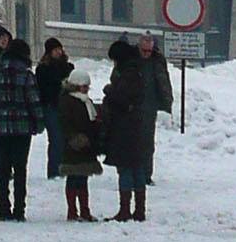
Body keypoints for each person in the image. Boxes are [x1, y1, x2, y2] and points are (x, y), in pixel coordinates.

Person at [101, 33, 173, 222]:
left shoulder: (129, 72)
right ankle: (138, 209)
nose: (147, 53)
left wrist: (109, 92)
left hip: (127, 123)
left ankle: (127, 210)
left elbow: (123, 97)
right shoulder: (134, 70)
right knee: (138, 162)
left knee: (127, 165)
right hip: (137, 119)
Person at [0, 35, 42, 221]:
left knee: (4, 168)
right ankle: (20, 210)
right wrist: (38, 123)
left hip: (2, 126)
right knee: (20, 168)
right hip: (22, 127)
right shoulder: (27, 75)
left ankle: (3, 208)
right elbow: (33, 100)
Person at [55, 68, 106, 220]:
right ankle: (73, 211)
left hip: (85, 145)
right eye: (84, 86)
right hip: (74, 145)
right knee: (74, 178)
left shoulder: (85, 101)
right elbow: (65, 123)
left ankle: (84, 210)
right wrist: (75, 138)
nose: (86, 89)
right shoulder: (68, 101)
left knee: (82, 179)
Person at [35, 38, 73, 180]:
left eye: (59, 49)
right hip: (51, 106)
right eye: (55, 49)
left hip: (67, 107)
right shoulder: (43, 69)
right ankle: (54, 171)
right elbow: (43, 89)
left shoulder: (68, 67)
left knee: (66, 139)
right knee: (56, 139)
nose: (58, 52)